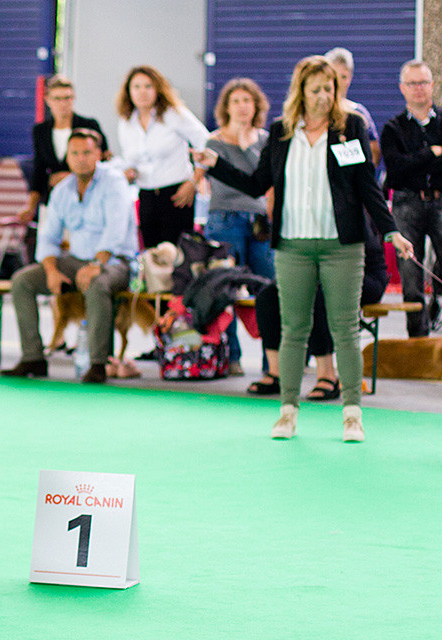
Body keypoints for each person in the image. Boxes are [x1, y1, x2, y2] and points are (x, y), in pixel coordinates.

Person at [194, 55, 415, 442]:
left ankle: (351, 414)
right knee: (294, 328)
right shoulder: (280, 133)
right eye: (316, 89)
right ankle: (287, 411)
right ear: (301, 91)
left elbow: (368, 186)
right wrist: (215, 164)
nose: (324, 96)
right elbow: (256, 182)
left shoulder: (352, 129)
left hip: (342, 246)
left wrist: (391, 231)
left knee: (345, 329)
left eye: (329, 88)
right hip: (292, 246)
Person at [1, 129, 138, 383]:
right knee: (22, 280)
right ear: (67, 156)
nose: (81, 158)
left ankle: (98, 364)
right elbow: (48, 236)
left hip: (116, 262)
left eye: (87, 152)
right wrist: (52, 271)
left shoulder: (115, 182)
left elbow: (115, 231)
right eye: (74, 153)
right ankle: (33, 358)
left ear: (98, 154)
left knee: (97, 285)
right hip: (75, 260)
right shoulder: (62, 190)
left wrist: (97, 264)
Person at [249, 222, 389, 400]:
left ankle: (327, 376)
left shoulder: (346, 209)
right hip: (319, 273)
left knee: (317, 296)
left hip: (363, 275)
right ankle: (276, 373)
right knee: (268, 297)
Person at [196, 78, 274, 375]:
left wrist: (247, 145)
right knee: (224, 288)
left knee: (268, 287)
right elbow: (204, 178)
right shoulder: (213, 142)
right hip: (223, 219)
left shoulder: (265, 140)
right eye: (236, 101)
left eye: (247, 100)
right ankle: (231, 357)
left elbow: (265, 180)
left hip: (259, 223)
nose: (242, 106)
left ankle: (273, 361)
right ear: (226, 107)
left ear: (256, 106)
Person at [379, 59, 442, 338]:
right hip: (406, 203)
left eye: (423, 82)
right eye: (412, 83)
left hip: (440, 201)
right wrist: (433, 154)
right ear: (402, 88)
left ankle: (437, 304)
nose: (419, 89)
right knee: (410, 273)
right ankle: (417, 339)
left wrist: (415, 161)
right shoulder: (392, 128)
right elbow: (396, 168)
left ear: (432, 85)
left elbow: (408, 164)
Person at [116, 65, 209, 248]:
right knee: (152, 256)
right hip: (146, 197)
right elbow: (130, 160)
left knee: (178, 257)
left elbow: (206, 142)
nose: (142, 92)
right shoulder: (126, 122)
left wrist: (194, 181)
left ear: (158, 89)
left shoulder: (173, 114)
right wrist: (129, 172)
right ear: (129, 91)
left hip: (177, 195)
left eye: (148, 86)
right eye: (136, 87)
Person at [18, 76, 107, 224]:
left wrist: (73, 175)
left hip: (87, 196)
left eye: (67, 98)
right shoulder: (40, 131)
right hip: (54, 197)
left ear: (73, 99)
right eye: (57, 98)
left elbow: (103, 161)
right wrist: (31, 206)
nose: (63, 104)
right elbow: (39, 170)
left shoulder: (89, 125)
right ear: (48, 100)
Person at [325, 48, 381, 167]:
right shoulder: (316, 113)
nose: (339, 82)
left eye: (344, 77)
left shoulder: (359, 113)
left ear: (350, 78)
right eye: (335, 76)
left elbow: (373, 155)